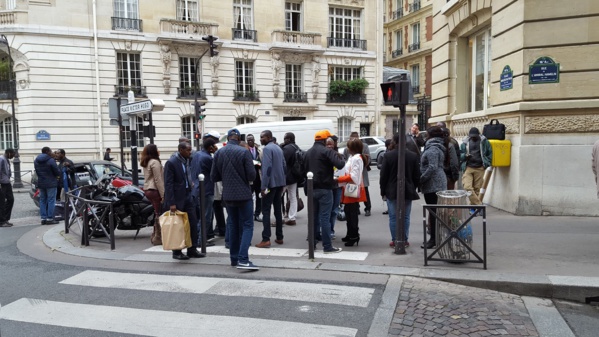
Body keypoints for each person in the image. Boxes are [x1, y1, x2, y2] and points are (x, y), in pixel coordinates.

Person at [211, 128, 259, 270]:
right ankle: (243, 259)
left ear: (228, 139)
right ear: (238, 138)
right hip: (243, 194)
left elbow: (214, 176)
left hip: (228, 195)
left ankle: (234, 258)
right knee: (247, 226)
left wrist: (227, 176)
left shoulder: (219, 153)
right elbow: (251, 176)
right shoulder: (244, 152)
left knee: (232, 225)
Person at [304, 129, 345, 253]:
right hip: (325, 188)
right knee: (325, 218)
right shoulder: (327, 151)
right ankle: (327, 246)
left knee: (313, 217)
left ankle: (313, 243)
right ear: (324, 140)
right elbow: (340, 165)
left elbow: (302, 170)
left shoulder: (307, 152)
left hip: (311, 189)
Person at [164, 142, 204, 260]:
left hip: (188, 195)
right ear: (181, 150)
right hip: (177, 198)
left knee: (193, 223)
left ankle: (192, 249)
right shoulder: (171, 163)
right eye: (188, 150)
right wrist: (171, 202)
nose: (190, 152)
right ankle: (177, 251)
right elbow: (168, 184)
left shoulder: (187, 161)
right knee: (179, 226)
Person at [380, 134, 420, 248]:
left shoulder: (388, 156)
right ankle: (404, 239)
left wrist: (382, 191)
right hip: (407, 189)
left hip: (391, 190)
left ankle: (395, 239)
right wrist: (413, 186)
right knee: (406, 216)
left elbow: (383, 176)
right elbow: (417, 176)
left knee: (393, 217)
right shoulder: (412, 156)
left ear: (394, 141)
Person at [255, 130, 286, 248]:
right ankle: (279, 236)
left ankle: (266, 238)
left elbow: (267, 168)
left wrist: (264, 186)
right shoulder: (278, 148)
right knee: (278, 210)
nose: (260, 139)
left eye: (262, 137)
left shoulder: (267, 149)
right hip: (279, 182)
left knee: (266, 210)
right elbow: (284, 165)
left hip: (270, 183)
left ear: (268, 137)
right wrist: (283, 181)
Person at [420, 127, 448, 249]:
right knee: (435, 212)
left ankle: (434, 239)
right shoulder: (438, 147)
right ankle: (436, 238)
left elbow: (432, 167)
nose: (425, 136)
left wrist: (421, 179)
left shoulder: (432, 149)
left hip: (433, 184)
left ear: (430, 136)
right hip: (437, 182)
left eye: (426, 134)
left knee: (433, 212)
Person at [337, 138, 368, 247]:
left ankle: (354, 235)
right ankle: (351, 234)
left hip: (352, 187)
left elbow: (353, 177)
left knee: (352, 214)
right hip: (350, 187)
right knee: (349, 212)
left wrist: (339, 179)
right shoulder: (354, 157)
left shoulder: (356, 159)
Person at [191, 137, 218, 247]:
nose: (216, 147)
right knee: (206, 217)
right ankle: (201, 241)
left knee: (199, 216)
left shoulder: (196, 154)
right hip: (206, 189)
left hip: (196, 189)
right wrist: (216, 154)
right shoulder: (208, 158)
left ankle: (197, 239)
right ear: (210, 147)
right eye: (214, 146)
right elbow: (215, 173)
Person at [460, 127, 492, 209]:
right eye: (472, 136)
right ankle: (479, 205)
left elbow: (490, 153)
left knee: (477, 189)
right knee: (467, 187)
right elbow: (460, 155)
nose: (473, 137)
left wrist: (487, 163)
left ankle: (473, 208)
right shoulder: (465, 143)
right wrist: (465, 156)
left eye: (475, 136)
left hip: (480, 167)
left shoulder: (485, 142)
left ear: (479, 134)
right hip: (468, 167)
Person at [140, 144, 164, 246]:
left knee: (156, 212)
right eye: (157, 149)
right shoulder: (155, 162)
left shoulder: (146, 161)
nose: (159, 150)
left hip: (147, 189)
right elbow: (158, 180)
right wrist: (163, 194)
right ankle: (157, 237)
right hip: (154, 189)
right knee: (159, 213)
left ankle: (156, 235)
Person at [343, 132, 371, 216]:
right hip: (351, 174)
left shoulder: (364, 146)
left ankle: (367, 208)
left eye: (355, 138)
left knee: (364, 191)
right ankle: (356, 208)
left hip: (362, 173)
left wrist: (361, 165)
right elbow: (345, 160)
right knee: (352, 191)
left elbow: (368, 158)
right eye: (351, 139)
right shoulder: (346, 149)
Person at [34, 147, 61, 225]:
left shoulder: (36, 160)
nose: (51, 152)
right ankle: (50, 218)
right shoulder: (51, 160)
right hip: (51, 183)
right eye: (50, 151)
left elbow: (37, 171)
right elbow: (56, 171)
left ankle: (43, 218)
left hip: (41, 183)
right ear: (47, 151)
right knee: (51, 200)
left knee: (42, 200)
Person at [281, 132, 300, 226]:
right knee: (293, 197)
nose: (284, 140)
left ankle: (279, 218)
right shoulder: (297, 147)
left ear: (288, 139)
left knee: (277, 196)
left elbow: (282, 162)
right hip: (294, 176)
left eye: (285, 139)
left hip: (286, 177)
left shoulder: (287, 149)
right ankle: (292, 217)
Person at [327, 136, 344, 239]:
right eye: (327, 144)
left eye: (331, 144)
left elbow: (342, 166)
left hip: (337, 185)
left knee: (334, 210)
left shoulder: (339, 155)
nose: (329, 146)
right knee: (326, 210)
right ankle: (325, 230)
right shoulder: (323, 155)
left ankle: (331, 230)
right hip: (328, 186)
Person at [437, 122, 461, 189]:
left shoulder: (452, 143)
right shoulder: (451, 143)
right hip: (447, 173)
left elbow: (456, 158)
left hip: (446, 173)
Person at [246, 134, 263, 222]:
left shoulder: (259, 149)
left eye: (251, 140)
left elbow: (262, 161)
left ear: (254, 140)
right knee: (249, 196)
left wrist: (258, 163)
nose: (249, 142)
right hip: (250, 178)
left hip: (258, 176)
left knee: (259, 196)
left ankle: (257, 214)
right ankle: (250, 213)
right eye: (248, 140)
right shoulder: (245, 150)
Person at [0, 148, 16, 227]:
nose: (14, 155)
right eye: (13, 153)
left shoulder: (6, 160)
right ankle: (2, 221)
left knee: (10, 200)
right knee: (1, 202)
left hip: (6, 182)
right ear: (9, 153)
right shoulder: (1, 159)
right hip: (2, 183)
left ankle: (5, 218)